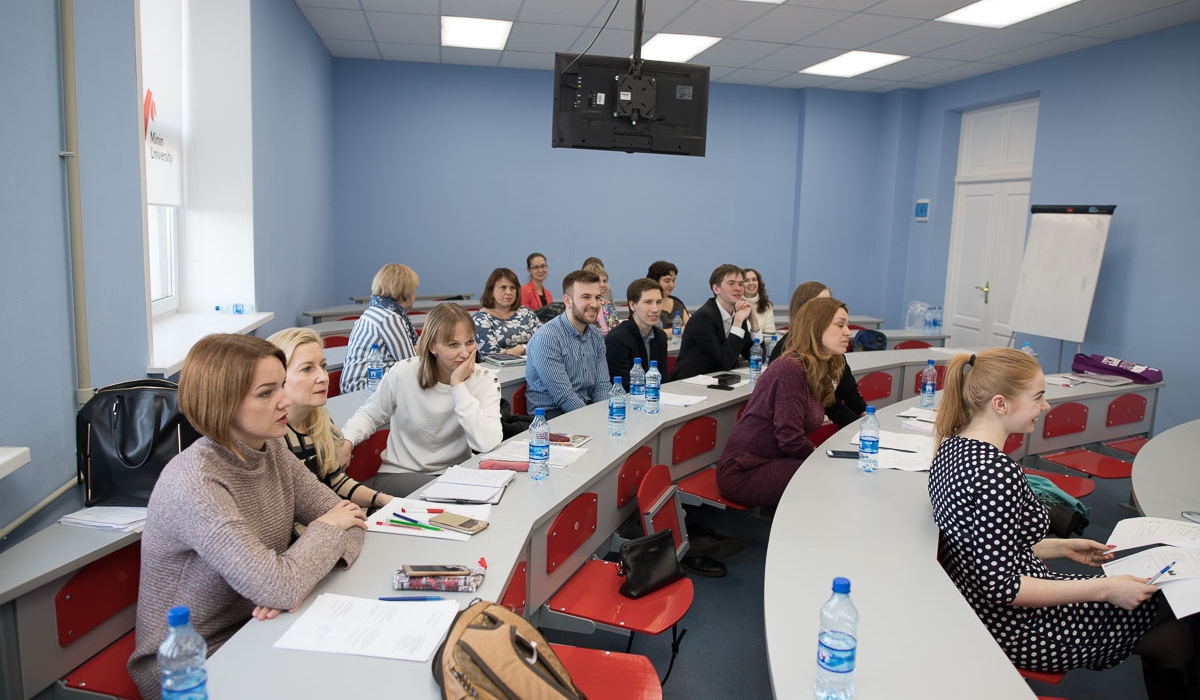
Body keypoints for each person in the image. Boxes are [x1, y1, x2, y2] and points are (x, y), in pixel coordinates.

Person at [929, 348, 1198, 697]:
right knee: (1174, 616)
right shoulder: (995, 473)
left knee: (1172, 630)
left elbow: (989, 542)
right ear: (1000, 404)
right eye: (1038, 397)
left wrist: (1063, 546)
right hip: (1022, 627)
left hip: (997, 612)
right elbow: (1002, 588)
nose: (1046, 407)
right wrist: (1105, 589)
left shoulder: (953, 448)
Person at [128, 335, 366, 699]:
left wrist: (298, 579)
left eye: (281, 386)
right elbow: (296, 566)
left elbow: (350, 520)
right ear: (223, 403)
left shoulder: (269, 448)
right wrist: (292, 577)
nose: (285, 401)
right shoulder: (195, 482)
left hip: (263, 625)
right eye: (266, 393)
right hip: (196, 661)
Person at [341, 303, 503, 497]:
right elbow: (370, 414)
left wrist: (457, 385)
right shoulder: (403, 372)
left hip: (456, 475)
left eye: (469, 342)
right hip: (401, 474)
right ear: (433, 346)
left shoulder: (484, 379)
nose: (465, 352)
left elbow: (487, 443)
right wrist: (347, 441)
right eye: (453, 344)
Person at [715, 297, 852, 508]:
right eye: (840, 325)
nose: (848, 332)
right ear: (816, 327)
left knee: (835, 473)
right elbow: (789, 437)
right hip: (744, 471)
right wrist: (817, 455)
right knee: (828, 479)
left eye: (847, 326)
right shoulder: (792, 368)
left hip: (776, 460)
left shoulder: (820, 366)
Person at [267, 327, 398, 506]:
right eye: (307, 369)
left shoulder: (319, 419)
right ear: (278, 377)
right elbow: (293, 510)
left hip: (330, 515)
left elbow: (336, 482)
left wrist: (383, 500)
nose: (323, 377)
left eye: (323, 366)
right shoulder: (272, 438)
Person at [770, 281, 867, 427]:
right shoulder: (789, 355)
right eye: (821, 303)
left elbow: (849, 392)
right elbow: (825, 401)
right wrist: (857, 427)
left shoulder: (832, 348)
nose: (828, 308)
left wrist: (867, 418)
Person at [524, 270, 609, 416]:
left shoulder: (595, 335)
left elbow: (602, 386)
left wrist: (603, 415)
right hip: (551, 415)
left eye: (597, 297)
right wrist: (595, 420)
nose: (594, 304)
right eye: (586, 297)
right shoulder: (548, 337)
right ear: (568, 300)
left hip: (585, 408)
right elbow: (564, 397)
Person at [670, 263, 762, 381]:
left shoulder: (737, 313)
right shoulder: (703, 317)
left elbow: (757, 357)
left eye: (740, 284)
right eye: (731, 283)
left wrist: (754, 322)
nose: (738, 288)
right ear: (716, 288)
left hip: (718, 380)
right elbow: (725, 362)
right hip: (690, 382)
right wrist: (738, 322)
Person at [341, 263, 420, 393]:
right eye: (414, 289)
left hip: (354, 385)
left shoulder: (375, 310)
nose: (415, 295)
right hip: (365, 387)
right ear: (405, 291)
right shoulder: (390, 318)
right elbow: (411, 365)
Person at [606, 278, 667, 386]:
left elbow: (663, 380)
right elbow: (624, 386)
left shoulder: (660, 336)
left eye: (659, 302)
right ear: (632, 305)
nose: (655, 309)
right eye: (648, 302)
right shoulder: (617, 339)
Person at [473, 267, 541, 357]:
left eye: (512, 288)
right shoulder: (480, 319)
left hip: (532, 364)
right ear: (491, 291)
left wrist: (523, 348)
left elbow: (544, 341)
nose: (509, 292)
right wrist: (525, 350)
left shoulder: (527, 313)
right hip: (498, 368)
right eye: (503, 287)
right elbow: (490, 353)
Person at [647, 260, 690, 331]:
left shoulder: (677, 303)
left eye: (673, 280)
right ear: (655, 281)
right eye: (667, 281)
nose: (672, 285)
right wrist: (680, 330)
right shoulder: (647, 304)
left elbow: (690, 328)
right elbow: (651, 333)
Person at [583, 262, 620, 335]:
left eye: (605, 281)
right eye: (598, 281)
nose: (603, 285)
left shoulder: (606, 304)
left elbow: (616, 330)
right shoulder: (583, 306)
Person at [742, 268, 776, 336]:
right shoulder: (735, 305)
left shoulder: (767, 306)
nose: (751, 283)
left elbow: (770, 333)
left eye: (754, 279)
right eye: (746, 280)